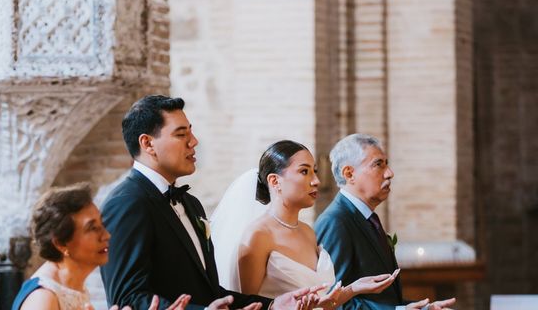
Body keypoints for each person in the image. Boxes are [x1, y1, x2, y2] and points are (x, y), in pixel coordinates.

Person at [100, 95, 323, 310]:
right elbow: (127, 298)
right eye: (180, 134)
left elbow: (210, 293)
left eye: (191, 132)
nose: (194, 141)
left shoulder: (191, 204)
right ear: (148, 143)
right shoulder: (127, 203)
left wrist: (272, 305)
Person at [211, 140, 399, 309]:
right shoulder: (258, 235)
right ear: (275, 181)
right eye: (304, 171)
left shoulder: (308, 232)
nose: (316, 181)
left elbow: (321, 303)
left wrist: (353, 288)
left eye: (314, 171)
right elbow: (251, 307)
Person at [314, 134, 456, 310]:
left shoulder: (367, 218)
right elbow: (331, 301)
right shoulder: (336, 221)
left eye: (386, 164)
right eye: (378, 164)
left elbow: (385, 301)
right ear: (349, 174)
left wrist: (423, 308)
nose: (390, 173)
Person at [12, 183, 190, 310]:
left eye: (102, 225)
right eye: (92, 228)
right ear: (60, 243)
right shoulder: (43, 299)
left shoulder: (74, 287)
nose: (106, 235)